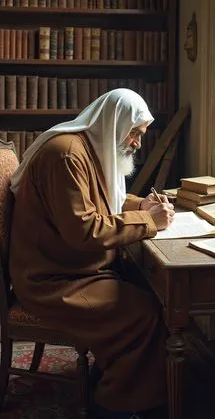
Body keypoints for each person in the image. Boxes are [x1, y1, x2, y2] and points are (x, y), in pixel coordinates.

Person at [9, 88, 175, 419]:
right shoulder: (66, 155)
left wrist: (141, 205)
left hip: (73, 267)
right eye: (135, 133)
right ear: (115, 122)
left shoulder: (88, 146)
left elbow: (103, 198)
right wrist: (149, 221)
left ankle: (112, 380)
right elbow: (84, 232)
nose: (137, 143)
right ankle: (111, 408)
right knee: (143, 315)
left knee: (150, 296)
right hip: (52, 279)